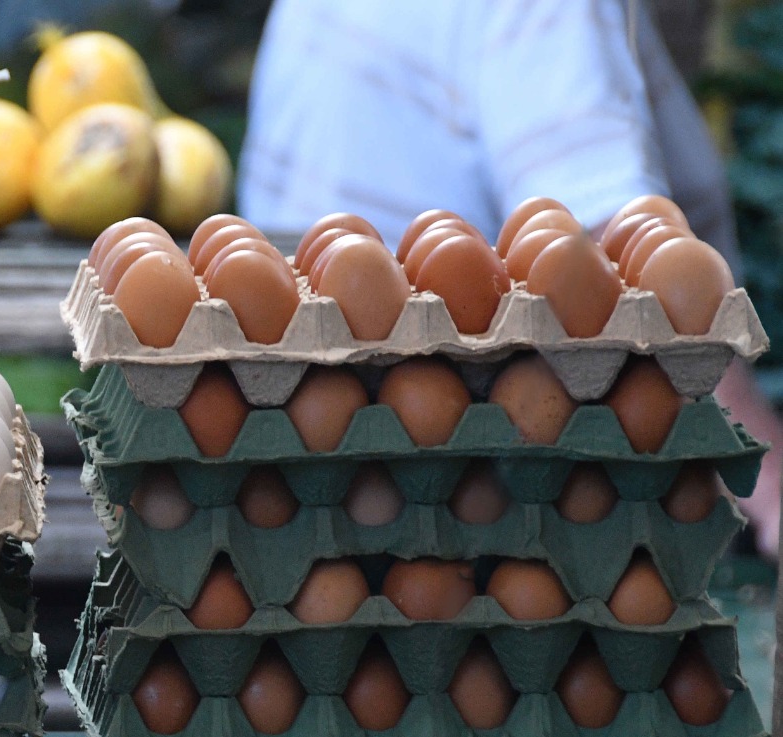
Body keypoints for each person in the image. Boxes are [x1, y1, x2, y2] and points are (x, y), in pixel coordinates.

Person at [240, 0, 783, 555]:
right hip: (439, 473)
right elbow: (615, 277)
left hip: (309, 456)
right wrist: (767, 481)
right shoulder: (553, 11)